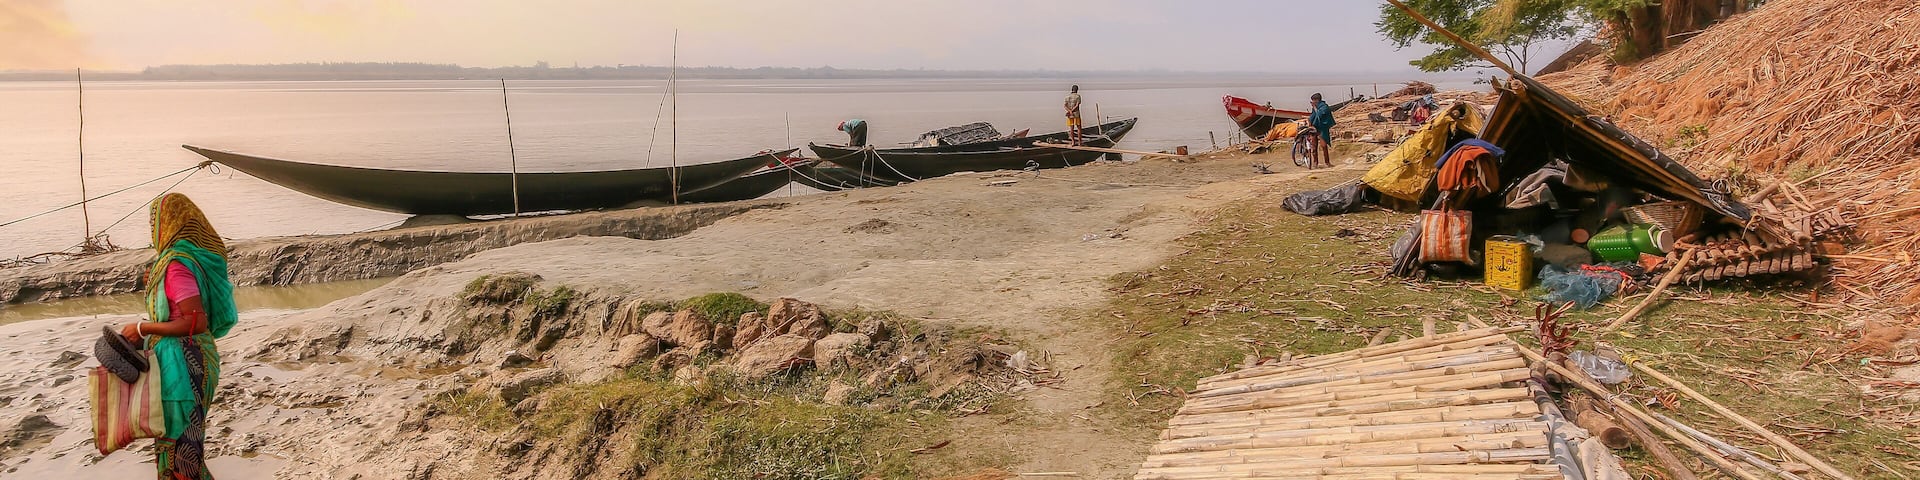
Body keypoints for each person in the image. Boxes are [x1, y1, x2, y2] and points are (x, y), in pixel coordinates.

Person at [118, 193, 236, 480]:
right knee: (178, 450)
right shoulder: (184, 261)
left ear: (166, 224)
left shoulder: (177, 265)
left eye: (154, 221)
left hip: (185, 365)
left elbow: (195, 322)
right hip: (188, 359)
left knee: (182, 454)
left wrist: (143, 328)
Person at [1308, 93, 1337, 168]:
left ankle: (1327, 162)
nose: (1312, 102)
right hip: (1314, 128)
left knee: (1323, 146)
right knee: (1314, 147)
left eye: (1313, 100)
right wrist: (1310, 125)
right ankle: (1315, 163)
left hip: (1322, 128)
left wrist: (1314, 107)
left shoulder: (1324, 107)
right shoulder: (1315, 107)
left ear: (1317, 100)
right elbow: (1312, 116)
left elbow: (1319, 115)